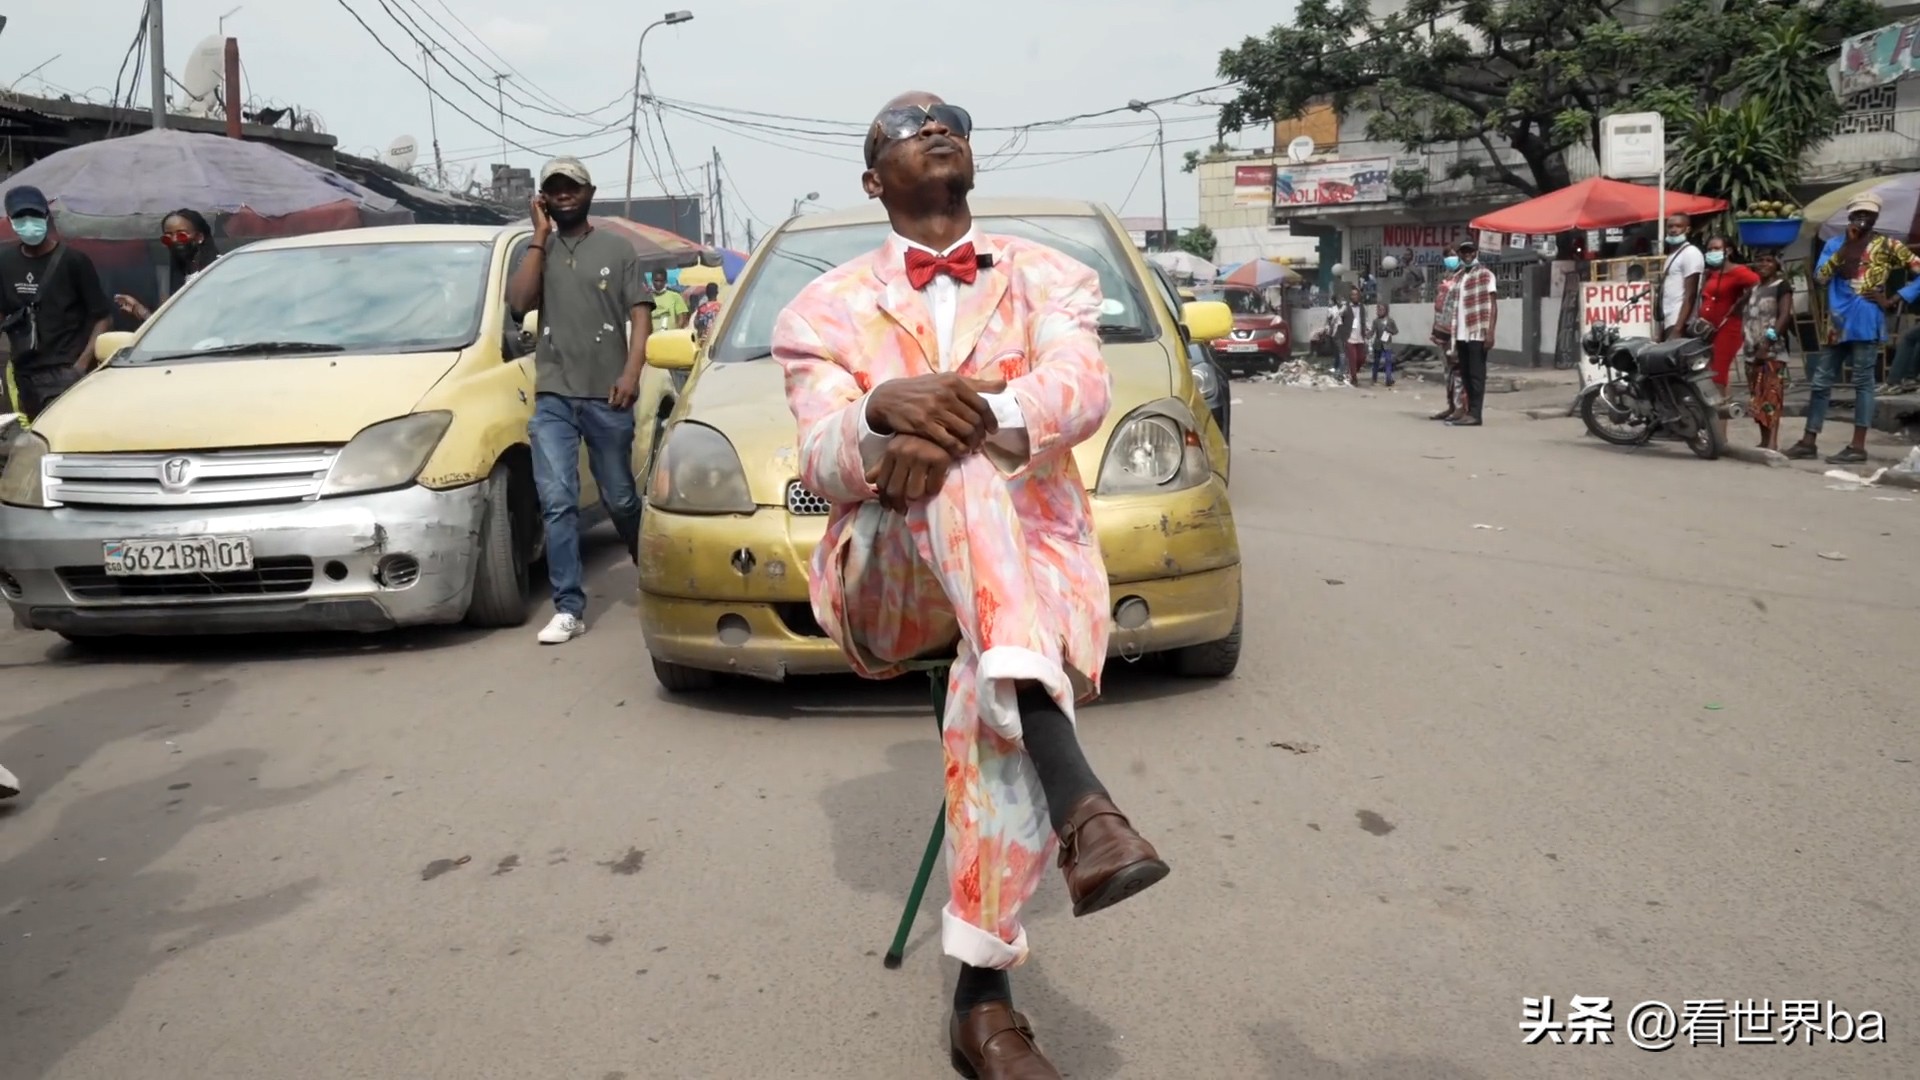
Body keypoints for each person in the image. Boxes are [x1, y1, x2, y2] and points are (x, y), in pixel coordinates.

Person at [772, 90, 1166, 1079]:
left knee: (980, 687)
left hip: (1030, 577)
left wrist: (942, 424)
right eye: (906, 128)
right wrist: (877, 415)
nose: (935, 127)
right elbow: (822, 458)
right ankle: (1080, 798)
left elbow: (1079, 388)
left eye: (951, 122)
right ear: (874, 181)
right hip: (889, 585)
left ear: (971, 166)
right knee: (962, 480)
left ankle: (983, 1010)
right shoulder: (815, 312)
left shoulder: (1054, 277)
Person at [505, 156, 653, 645]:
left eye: (573, 187)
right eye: (555, 188)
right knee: (558, 501)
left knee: (621, 499)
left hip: (608, 395)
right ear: (544, 198)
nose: (564, 194)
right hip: (554, 396)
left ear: (589, 192)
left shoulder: (618, 248)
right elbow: (520, 304)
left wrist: (632, 373)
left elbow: (641, 317)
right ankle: (569, 607)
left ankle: (650, 572)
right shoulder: (537, 251)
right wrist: (539, 235)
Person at [1785, 192, 1919, 465]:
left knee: (1862, 384)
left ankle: (1857, 446)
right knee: (1821, 381)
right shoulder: (1834, 244)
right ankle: (1808, 440)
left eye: (1867, 214)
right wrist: (1846, 247)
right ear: (1849, 216)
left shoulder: (1886, 245)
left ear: (1875, 217)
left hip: (1866, 321)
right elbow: (1820, 278)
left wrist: (1895, 298)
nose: (1862, 218)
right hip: (1837, 323)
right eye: (1857, 214)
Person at [0, 185, 111, 420]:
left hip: (65, 369)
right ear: (10, 220)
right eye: (20, 216)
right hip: (24, 372)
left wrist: (80, 366)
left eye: (35, 215)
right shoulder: (4, 260)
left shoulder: (74, 261)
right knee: (32, 440)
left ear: (46, 216)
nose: (28, 222)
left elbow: (102, 316)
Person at [112, 209, 220, 323]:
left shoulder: (221, 269)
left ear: (199, 237)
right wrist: (140, 310)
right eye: (167, 238)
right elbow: (174, 328)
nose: (174, 240)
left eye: (181, 235)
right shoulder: (171, 279)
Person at [1439, 239, 1497, 426]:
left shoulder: (1486, 275)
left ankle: (1476, 414)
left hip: (1477, 332)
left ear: (1476, 252)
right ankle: (1469, 411)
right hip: (1460, 334)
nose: (1467, 255)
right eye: (1463, 252)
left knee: (1476, 375)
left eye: (1470, 251)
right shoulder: (1459, 277)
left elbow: (1493, 306)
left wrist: (1490, 333)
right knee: (1465, 374)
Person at [1694, 235, 1760, 398]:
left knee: (1718, 374)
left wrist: (1741, 303)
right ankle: (1718, 415)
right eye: (1709, 249)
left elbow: (1759, 284)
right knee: (1710, 373)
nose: (1711, 252)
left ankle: (1718, 418)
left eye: (1716, 249)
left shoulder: (1739, 272)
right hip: (1708, 330)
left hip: (1728, 328)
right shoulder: (1712, 273)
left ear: (1728, 251)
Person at [1742, 250, 1795, 451]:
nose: (1763, 264)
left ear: (1776, 265)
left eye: (1768, 261)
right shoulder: (1754, 288)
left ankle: (1772, 442)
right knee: (1756, 396)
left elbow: (1783, 317)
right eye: (1759, 260)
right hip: (1751, 351)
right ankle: (1763, 440)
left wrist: (1767, 345)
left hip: (1772, 352)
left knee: (1771, 395)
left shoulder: (1782, 286)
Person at [1428, 251, 1467, 421]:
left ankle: (1460, 407)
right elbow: (1440, 309)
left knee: (1458, 370)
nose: (1448, 259)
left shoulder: (1464, 279)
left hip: (1456, 332)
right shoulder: (1446, 279)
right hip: (1442, 332)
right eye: (1446, 255)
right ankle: (1451, 405)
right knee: (1448, 371)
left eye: (1451, 255)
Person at [1658, 213, 1704, 342]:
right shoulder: (1673, 255)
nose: (1673, 230)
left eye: (1678, 226)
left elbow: (1691, 294)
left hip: (1681, 322)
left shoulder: (1690, 253)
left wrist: (1678, 328)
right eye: (1670, 226)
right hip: (1669, 320)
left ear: (1687, 229)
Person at [1334, 284, 1369, 385]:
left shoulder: (1363, 307)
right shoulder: (1345, 307)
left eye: (1356, 295)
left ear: (1359, 296)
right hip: (1349, 337)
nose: (1354, 296)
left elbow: (1365, 320)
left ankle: (1353, 372)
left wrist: (1367, 330)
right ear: (1350, 296)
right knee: (1352, 358)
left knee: (1361, 358)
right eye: (1352, 295)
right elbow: (1338, 317)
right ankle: (1354, 378)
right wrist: (1341, 329)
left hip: (1360, 337)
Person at [1369, 301, 1398, 387]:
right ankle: (1374, 378)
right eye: (1378, 309)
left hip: (1387, 344)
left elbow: (1396, 331)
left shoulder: (1390, 321)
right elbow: (1372, 331)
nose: (1380, 311)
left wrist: (1390, 330)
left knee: (1388, 361)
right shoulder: (1376, 321)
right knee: (1376, 362)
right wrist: (1367, 335)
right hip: (1378, 344)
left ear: (1386, 310)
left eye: (1382, 310)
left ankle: (1388, 379)